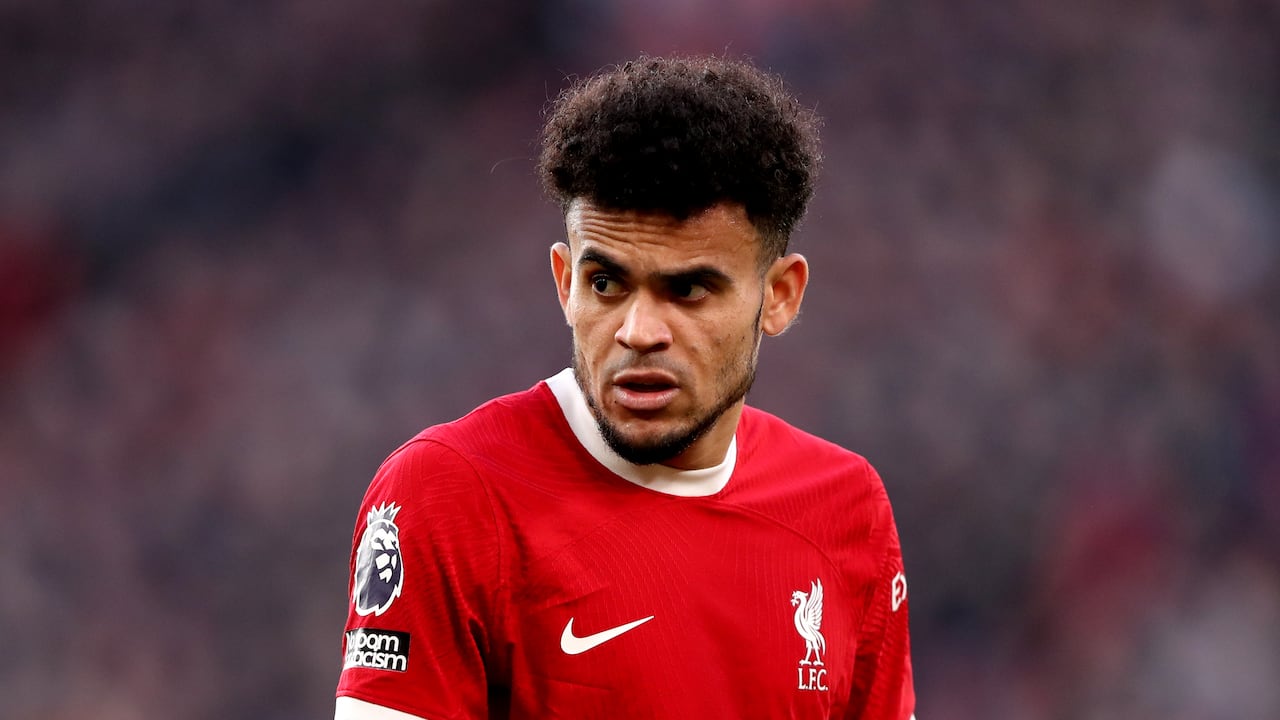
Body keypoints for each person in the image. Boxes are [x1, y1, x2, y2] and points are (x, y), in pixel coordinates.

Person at [334, 55, 916, 720]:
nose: (638, 331)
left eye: (688, 289)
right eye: (606, 284)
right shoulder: (449, 494)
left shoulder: (846, 509)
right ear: (563, 282)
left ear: (779, 297)